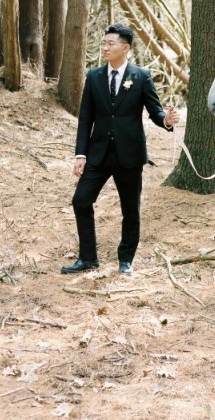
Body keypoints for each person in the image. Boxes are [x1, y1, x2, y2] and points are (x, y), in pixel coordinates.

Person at [62, 23, 180, 275]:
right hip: (98, 153)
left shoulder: (141, 76)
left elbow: (154, 110)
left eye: (110, 43)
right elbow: (85, 118)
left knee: (130, 210)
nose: (105, 47)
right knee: (81, 201)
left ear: (125, 48)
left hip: (130, 154)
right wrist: (80, 154)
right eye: (103, 43)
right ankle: (88, 258)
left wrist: (166, 121)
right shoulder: (93, 77)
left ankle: (126, 258)